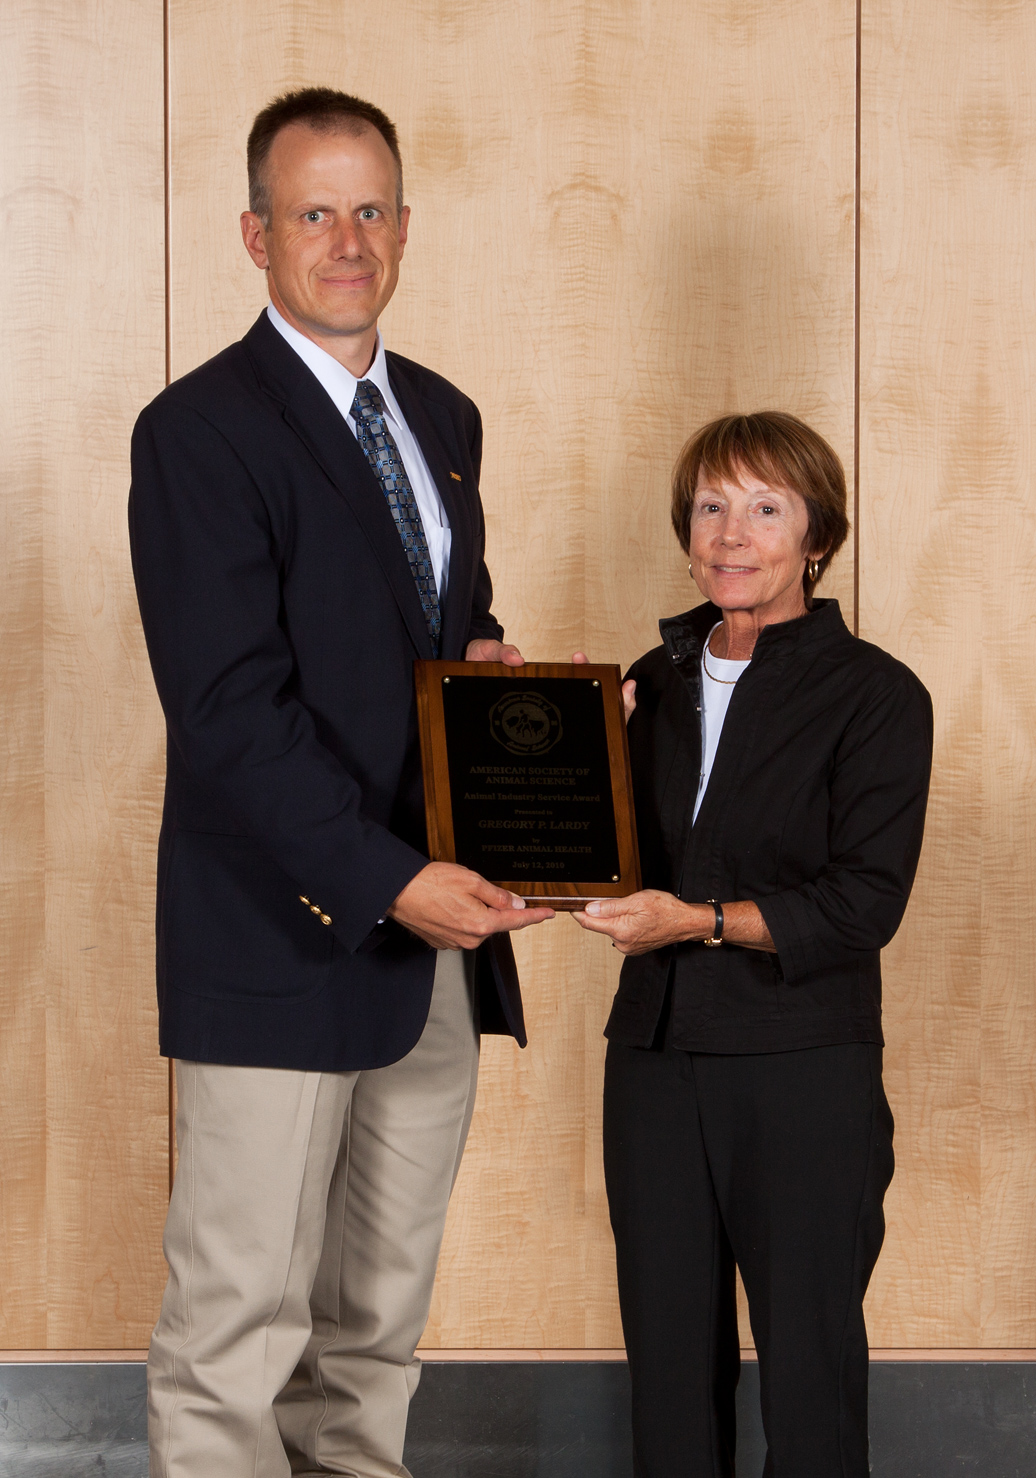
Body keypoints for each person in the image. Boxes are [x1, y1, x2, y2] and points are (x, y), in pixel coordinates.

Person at [128, 87, 554, 1477]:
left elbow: (437, 639)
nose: (348, 237)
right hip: (286, 937)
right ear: (257, 235)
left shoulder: (442, 416)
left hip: (437, 946)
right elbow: (229, 713)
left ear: (407, 225)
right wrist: (392, 877)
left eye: (371, 209)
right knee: (235, 1333)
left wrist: (499, 698)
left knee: (373, 1330)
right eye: (315, 212)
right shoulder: (199, 432)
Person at [575, 412, 933, 1476]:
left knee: (808, 1369)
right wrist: (579, 743)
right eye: (710, 506)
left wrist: (698, 921)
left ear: (815, 536)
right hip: (653, 1060)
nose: (732, 534)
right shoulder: (653, 679)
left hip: (801, 1063)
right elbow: (601, 855)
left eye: (766, 508)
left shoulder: (874, 694)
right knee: (670, 1374)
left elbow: (864, 901)